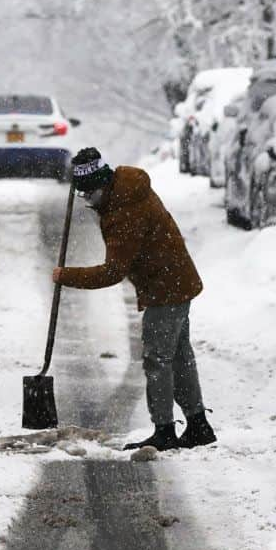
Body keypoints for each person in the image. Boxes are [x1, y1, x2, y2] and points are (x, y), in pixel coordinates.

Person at [52, 146, 216, 452]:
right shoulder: (126, 190)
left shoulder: (123, 211)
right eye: (81, 194)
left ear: (103, 184)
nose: (86, 200)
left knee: (158, 360)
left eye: (89, 193)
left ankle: (165, 431)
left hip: (165, 287)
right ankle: (198, 426)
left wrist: (66, 275)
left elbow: (112, 272)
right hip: (175, 280)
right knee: (178, 357)